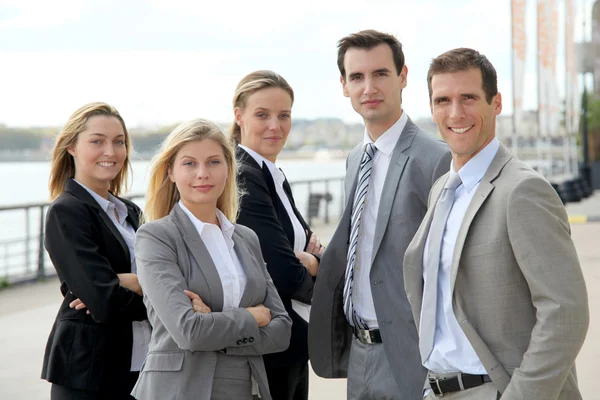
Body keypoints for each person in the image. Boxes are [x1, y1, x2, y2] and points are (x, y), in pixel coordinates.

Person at [403, 48, 589, 399]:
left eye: (468, 98)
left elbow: (566, 313)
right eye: (443, 100)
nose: (455, 113)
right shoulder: (442, 188)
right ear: (431, 109)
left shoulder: (522, 190)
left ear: (496, 103)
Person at [308, 30, 451, 399]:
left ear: (403, 77)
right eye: (357, 77)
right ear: (344, 85)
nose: (368, 87)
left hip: (410, 354)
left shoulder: (436, 160)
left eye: (381, 74)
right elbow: (366, 244)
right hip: (358, 353)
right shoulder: (356, 159)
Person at [131, 118, 292, 400]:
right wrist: (251, 317)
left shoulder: (246, 238)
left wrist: (215, 327)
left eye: (214, 162)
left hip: (246, 389)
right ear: (171, 171)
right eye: (190, 163)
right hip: (181, 390)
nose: (202, 173)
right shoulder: (155, 238)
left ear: (229, 169)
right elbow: (189, 332)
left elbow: (281, 331)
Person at [42, 102, 149, 400]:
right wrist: (158, 294)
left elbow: (170, 274)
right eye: (97, 141)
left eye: (119, 142)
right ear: (71, 147)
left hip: (140, 366)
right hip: (88, 372)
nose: (110, 152)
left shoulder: (130, 211)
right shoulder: (67, 211)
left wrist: (137, 283)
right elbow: (103, 300)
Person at [230, 70, 323, 400]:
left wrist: (312, 260)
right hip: (269, 347)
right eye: (262, 115)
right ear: (238, 116)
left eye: (284, 115)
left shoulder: (272, 174)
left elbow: (313, 250)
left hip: (292, 344)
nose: (275, 125)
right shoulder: (244, 175)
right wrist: (316, 270)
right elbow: (281, 270)